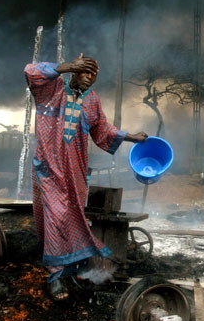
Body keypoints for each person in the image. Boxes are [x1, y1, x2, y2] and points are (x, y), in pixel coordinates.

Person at [24, 54, 148, 301]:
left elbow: (102, 130)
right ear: (75, 71)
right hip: (49, 168)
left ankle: (71, 269)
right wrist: (69, 66)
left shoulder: (91, 101)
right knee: (55, 216)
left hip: (76, 171)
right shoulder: (51, 89)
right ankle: (55, 277)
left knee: (73, 216)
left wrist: (132, 137)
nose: (90, 78)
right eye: (85, 72)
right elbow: (30, 71)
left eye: (94, 75)